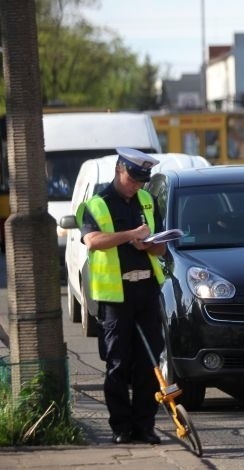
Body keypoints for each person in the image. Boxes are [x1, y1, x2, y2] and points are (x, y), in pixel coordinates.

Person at [77, 147, 167, 445]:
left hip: (147, 290)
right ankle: (121, 428)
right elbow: (93, 241)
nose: (136, 185)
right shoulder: (97, 204)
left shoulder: (147, 200)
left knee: (149, 362)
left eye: (141, 180)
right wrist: (130, 235)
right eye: (133, 178)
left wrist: (150, 244)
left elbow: (160, 246)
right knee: (117, 363)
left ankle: (145, 426)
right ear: (119, 170)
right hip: (116, 296)